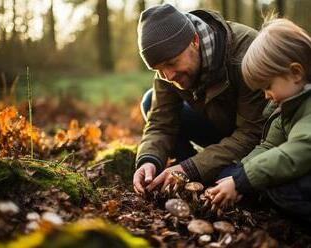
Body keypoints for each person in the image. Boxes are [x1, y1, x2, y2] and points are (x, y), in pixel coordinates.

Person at [133, 3, 268, 194]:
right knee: (150, 101)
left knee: (231, 178)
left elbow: (253, 133)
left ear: (194, 40)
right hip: (218, 127)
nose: (168, 76)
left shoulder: (246, 55)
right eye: (158, 69)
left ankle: (199, 172)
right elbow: (161, 122)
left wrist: (191, 169)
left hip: (254, 140)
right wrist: (148, 160)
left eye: (172, 63)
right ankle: (188, 179)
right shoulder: (167, 66)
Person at [208, 18, 311, 222]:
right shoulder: (287, 106)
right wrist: (238, 173)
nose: (266, 95)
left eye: (268, 86)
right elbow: (270, 145)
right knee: (229, 173)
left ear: (295, 73)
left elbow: (299, 150)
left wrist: (242, 181)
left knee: (282, 189)